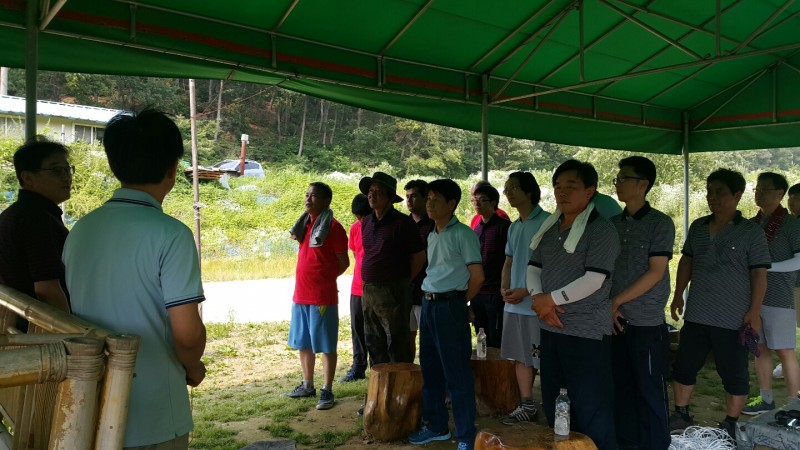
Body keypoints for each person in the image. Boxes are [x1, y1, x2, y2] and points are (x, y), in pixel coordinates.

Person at [63, 109, 207, 449]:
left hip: (91, 400)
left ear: (115, 165)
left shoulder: (81, 230)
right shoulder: (171, 235)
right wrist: (193, 367)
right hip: (155, 410)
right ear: (172, 169)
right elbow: (187, 334)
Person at [668, 168, 770, 439]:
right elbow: (687, 261)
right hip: (698, 311)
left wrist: (754, 311)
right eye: (709, 192)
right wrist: (678, 294)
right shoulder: (698, 227)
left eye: (719, 192)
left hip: (733, 316)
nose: (712, 197)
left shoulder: (751, 232)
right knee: (684, 365)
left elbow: (759, 273)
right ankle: (681, 413)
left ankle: (730, 422)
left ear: (737, 195)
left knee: (733, 372)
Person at [527, 159, 620, 450]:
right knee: (555, 403)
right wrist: (539, 301)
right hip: (551, 326)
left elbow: (595, 279)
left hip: (586, 332)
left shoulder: (601, 229)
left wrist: (549, 301)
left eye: (571, 186)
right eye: (557, 186)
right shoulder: (550, 227)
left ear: (589, 191)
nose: (562, 192)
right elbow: (533, 268)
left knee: (591, 407)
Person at [408, 179, 484, 450]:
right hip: (429, 304)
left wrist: (459, 303)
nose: (429, 203)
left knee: (457, 373)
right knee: (430, 369)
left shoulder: (463, 234)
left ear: (451, 204)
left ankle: (465, 436)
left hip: (449, 305)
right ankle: (436, 426)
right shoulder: (432, 233)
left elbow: (477, 277)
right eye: (428, 198)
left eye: (436, 199)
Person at [610, 156, 674, 450]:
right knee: (621, 388)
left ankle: (656, 444)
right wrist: (610, 306)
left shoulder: (660, 223)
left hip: (646, 321)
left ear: (643, 184)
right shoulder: (611, 224)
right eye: (617, 178)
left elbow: (656, 272)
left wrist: (616, 301)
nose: (618, 184)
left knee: (649, 389)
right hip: (615, 319)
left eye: (624, 178)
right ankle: (627, 443)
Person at [284, 182, 349, 409]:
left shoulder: (334, 227)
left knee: (326, 344)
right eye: (307, 194)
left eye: (314, 196)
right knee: (303, 342)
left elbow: (344, 262)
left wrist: (325, 278)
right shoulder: (305, 224)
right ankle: (307, 385)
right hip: (301, 294)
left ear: (326, 201)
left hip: (322, 296)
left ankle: (327, 390)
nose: (308, 199)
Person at [741, 172, 800, 414]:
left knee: (784, 350)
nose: (759, 193)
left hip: (779, 297)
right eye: (757, 188)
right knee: (760, 348)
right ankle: (766, 399)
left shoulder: (792, 225)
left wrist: (765, 268)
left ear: (780, 193)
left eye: (765, 189)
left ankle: (794, 404)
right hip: (752, 297)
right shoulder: (751, 224)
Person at [0, 138, 71, 332]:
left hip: (17, 325)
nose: (66, 177)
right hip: (36, 330)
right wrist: (72, 335)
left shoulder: (15, 213)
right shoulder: (36, 219)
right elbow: (48, 291)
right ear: (28, 178)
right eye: (56, 170)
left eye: (67, 169)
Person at [499, 171, 550, 424]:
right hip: (514, 304)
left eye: (513, 188)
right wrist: (504, 287)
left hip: (539, 304)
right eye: (506, 188)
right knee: (520, 356)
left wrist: (526, 291)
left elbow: (553, 267)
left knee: (544, 357)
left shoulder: (548, 222)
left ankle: (555, 406)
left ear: (529, 191)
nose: (508, 192)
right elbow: (509, 261)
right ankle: (527, 405)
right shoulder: (513, 225)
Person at [360, 172, 426, 365]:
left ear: (390, 197)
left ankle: (400, 382)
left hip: (394, 291)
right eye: (370, 190)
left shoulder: (402, 223)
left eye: (378, 191)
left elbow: (419, 256)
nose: (372, 195)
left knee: (397, 342)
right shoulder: (366, 222)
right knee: (373, 340)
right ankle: (380, 381)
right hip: (369, 291)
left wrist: (403, 281)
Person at [471, 183, 510, 348]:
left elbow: (510, 260)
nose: (477, 204)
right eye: (475, 200)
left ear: (493, 203)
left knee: (496, 337)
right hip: (477, 292)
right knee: (481, 336)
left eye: (482, 200)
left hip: (495, 293)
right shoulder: (476, 229)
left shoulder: (504, 227)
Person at [341, 194, 371, 382]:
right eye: (357, 217)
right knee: (357, 329)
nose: (360, 221)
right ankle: (358, 367)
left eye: (363, 217)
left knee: (375, 331)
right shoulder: (354, 228)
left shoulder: (378, 227)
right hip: (357, 287)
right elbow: (355, 252)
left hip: (375, 288)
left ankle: (378, 367)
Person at [405, 179, 435, 359]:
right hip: (406, 292)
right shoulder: (402, 224)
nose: (409, 200)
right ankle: (409, 371)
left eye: (414, 196)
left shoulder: (434, 225)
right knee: (406, 338)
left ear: (426, 198)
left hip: (427, 293)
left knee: (428, 339)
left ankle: (428, 372)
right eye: (407, 196)